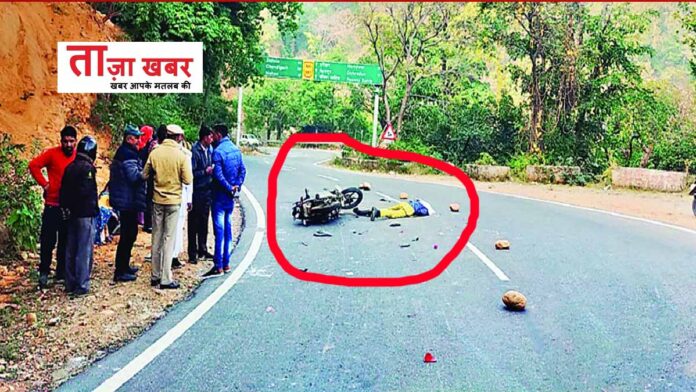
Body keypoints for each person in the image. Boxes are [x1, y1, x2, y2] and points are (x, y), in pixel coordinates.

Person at [142, 124, 193, 289]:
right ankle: (166, 278)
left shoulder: (155, 152)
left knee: (156, 237)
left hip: (157, 200)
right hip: (173, 201)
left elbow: (144, 174)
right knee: (169, 238)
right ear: (178, 137)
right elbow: (188, 180)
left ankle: (154, 275)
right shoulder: (181, 155)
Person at [29, 125, 77, 289]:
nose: (68, 145)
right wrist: (45, 184)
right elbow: (34, 165)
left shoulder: (78, 156)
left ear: (76, 141)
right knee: (48, 241)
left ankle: (61, 272)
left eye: (71, 141)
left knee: (65, 240)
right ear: (61, 141)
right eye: (65, 141)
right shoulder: (52, 153)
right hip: (52, 204)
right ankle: (44, 272)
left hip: (68, 206)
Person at [202, 124, 246, 279]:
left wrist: (228, 187)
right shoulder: (235, 149)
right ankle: (226, 262)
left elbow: (218, 176)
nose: (212, 137)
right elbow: (242, 170)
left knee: (219, 231)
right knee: (227, 229)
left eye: (214, 134)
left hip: (220, 196)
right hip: (230, 197)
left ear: (219, 135)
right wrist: (236, 186)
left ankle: (218, 265)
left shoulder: (218, 152)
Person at [59, 136, 99, 296]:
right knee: (84, 249)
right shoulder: (87, 168)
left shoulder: (70, 167)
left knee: (71, 248)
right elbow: (86, 192)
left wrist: (67, 207)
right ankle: (82, 284)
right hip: (84, 213)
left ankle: (70, 282)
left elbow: (63, 191)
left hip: (72, 213)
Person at [109, 124, 147, 282]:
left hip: (126, 199)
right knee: (128, 234)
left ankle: (124, 266)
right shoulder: (127, 154)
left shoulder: (126, 151)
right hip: (127, 200)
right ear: (129, 138)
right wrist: (145, 174)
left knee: (130, 234)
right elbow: (133, 176)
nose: (139, 140)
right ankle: (120, 270)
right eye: (137, 137)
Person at [187, 126, 215, 264]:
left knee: (204, 221)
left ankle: (202, 248)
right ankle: (192, 253)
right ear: (204, 137)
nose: (212, 139)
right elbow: (191, 173)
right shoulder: (195, 151)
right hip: (197, 190)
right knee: (194, 223)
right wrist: (205, 171)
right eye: (210, 136)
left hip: (207, 190)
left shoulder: (209, 150)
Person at [171, 140, 193, 269]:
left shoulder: (159, 152)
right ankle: (174, 255)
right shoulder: (185, 156)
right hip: (180, 196)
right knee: (178, 227)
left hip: (162, 197)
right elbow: (188, 181)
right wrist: (189, 199)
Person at [353, 198, 435, 221]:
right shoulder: (428, 210)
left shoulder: (421, 202)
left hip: (406, 204)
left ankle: (362, 212)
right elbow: (421, 212)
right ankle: (377, 212)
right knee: (392, 214)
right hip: (409, 210)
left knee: (388, 209)